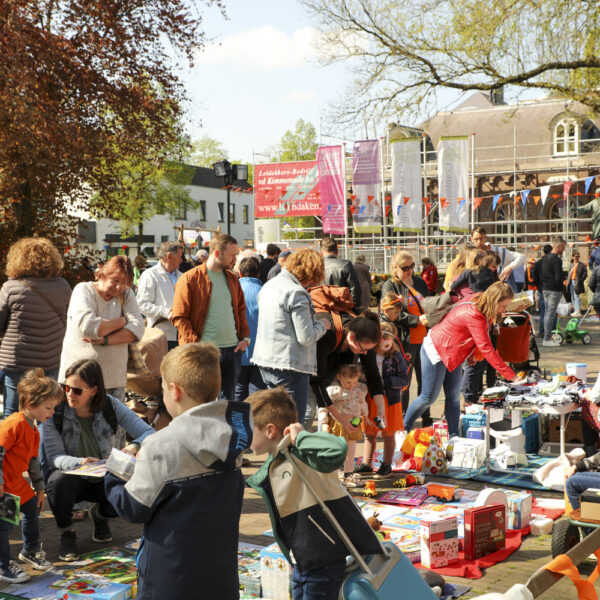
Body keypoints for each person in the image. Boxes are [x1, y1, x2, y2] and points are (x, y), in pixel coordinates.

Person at [105, 343, 252, 599]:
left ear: (174, 390)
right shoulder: (233, 435)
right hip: (220, 576)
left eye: (161, 390)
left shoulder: (160, 445)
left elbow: (133, 508)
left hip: (169, 579)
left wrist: (115, 473)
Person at [246, 387, 381, 600]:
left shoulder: (304, 453)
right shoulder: (275, 460)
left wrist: (301, 437)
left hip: (322, 558)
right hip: (303, 558)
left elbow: (337, 448)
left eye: (249, 428)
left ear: (270, 430)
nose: (245, 434)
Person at [41, 359, 153, 561]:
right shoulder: (54, 409)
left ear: (93, 390)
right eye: (65, 387)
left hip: (104, 476)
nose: (68, 394)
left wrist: (132, 446)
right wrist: (81, 463)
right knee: (58, 481)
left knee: (135, 484)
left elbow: (148, 432)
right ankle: (67, 533)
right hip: (73, 477)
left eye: (76, 390)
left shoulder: (110, 404)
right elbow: (54, 457)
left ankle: (100, 515)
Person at [403, 282, 518, 436]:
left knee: (453, 397)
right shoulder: (475, 313)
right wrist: (512, 376)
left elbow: (468, 333)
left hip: (453, 352)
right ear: (494, 300)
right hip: (437, 349)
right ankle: (403, 428)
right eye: (503, 306)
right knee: (428, 397)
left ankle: (453, 437)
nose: (504, 310)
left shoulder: (479, 302)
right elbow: (487, 348)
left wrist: (470, 353)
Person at [252, 249, 331, 421]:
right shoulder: (296, 292)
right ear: (311, 273)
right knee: (293, 424)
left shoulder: (268, 285)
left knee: (275, 422)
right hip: (290, 365)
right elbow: (307, 337)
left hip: (265, 362)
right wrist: (322, 325)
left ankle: (277, 449)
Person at [0, 369, 63, 582]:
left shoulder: (33, 429)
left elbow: (33, 462)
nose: (52, 412)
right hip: (6, 486)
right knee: (4, 526)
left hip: (17, 484)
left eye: (53, 408)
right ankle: (3, 564)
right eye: (48, 407)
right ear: (30, 404)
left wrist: (39, 489)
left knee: (32, 510)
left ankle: (30, 550)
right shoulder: (14, 423)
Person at [171, 233, 250, 401]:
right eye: (232, 254)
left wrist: (244, 338)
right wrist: (195, 344)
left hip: (232, 350)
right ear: (217, 253)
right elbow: (179, 316)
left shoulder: (232, 279)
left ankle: (222, 429)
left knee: (226, 403)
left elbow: (241, 310)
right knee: (200, 401)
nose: (235, 259)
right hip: (204, 351)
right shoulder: (190, 279)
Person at [0, 238, 71, 417]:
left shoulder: (11, 287)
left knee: (13, 412)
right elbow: (69, 319)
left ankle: (9, 446)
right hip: (53, 359)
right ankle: (40, 445)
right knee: (47, 414)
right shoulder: (63, 286)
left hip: (19, 361)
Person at [58, 255, 145, 403]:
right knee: (75, 425)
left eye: (124, 282)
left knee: (111, 425)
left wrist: (105, 340)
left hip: (114, 381)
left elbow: (137, 330)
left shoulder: (127, 294)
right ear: (102, 276)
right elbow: (90, 327)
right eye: (115, 281)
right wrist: (122, 321)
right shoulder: (84, 290)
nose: (119, 287)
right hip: (79, 380)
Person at [312, 312, 387, 478]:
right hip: (312, 379)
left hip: (327, 385)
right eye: (363, 349)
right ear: (352, 337)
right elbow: (316, 382)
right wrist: (340, 418)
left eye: (369, 350)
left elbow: (373, 376)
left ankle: (343, 474)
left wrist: (381, 410)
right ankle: (320, 476)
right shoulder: (329, 336)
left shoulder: (365, 341)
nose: (365, 354)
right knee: (318, 429)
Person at [381, 251, 430, 425]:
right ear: (395, 268)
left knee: (426, 381)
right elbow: (391, 312)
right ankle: (403, 419)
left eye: (412, 266)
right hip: (405, 340)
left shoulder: (419, 282)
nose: (410, 270)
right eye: (405, 268)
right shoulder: (390, 286)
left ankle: (426, 417)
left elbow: (429, 303)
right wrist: (416, 320)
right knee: (405, 381)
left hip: (425, 339)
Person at [359, 321, 409, 479]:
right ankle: (367, 464)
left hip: (390, 401)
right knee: (369, 433)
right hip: (370, 398)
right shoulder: (366, 353)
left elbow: (404, 380)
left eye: (386, 340)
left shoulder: (396, 356)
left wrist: (385, 383)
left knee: (388, 434)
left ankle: (386, 465)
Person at [318, 364, 369, 489]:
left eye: (354, 381)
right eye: (348, 382)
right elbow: (323, 406)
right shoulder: (333, 391)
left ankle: (348, 474)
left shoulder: (359, 389)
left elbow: (362, 403)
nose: (351, 385)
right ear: (339, 377)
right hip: (338, 423)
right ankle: (334, 476)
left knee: (351, 450)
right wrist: (324, 423)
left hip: (354, 422)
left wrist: (366, 416)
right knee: (337, 450)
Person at [136, 241, 182, 351]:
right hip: (160, 335)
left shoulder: (183, 276)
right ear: (169, 256)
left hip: (182, 335)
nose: (181, 260)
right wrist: (166, 313)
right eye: (180, 257)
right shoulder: (150, 275)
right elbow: (142, 304)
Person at [235, 257, 266, 402]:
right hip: (260, 352)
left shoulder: (232, 291)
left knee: (237, 391)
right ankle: (255, 423)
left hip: (236, 349)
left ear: (239, 273)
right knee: (257, 394)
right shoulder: (264, 292)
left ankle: (236, 424)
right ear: (258, 274)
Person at [471, 226, 525, 292]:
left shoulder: (498, 251)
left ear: (485, 238)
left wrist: (509, 268)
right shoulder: (470, 255)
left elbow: (521, 257)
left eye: (481, 238)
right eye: (476, 239)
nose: (479, 242)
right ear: (471, 239)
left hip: (500, 291)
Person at [320, 237, 362, 310]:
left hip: (321, 310)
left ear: (321, 253)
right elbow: (356, 291)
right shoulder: (346, 265)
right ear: (337, 252)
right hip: (342, 311)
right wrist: (353, 310)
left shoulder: (315, 266)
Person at [540, 236, 566, 347]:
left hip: (545, 288)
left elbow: (541, 274)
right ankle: (546, 338)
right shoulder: (557, 259)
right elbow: (558, 276)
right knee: (550, 314)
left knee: (547, 313)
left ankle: (547, 336)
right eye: (563, 247)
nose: (564, 250)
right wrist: (562, 287)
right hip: (554, 290)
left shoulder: (545, 258)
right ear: (558, 246)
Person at [533, 244, 552, 337]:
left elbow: (535, 277)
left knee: (543, 311)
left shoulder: (538, 263)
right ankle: (551, 330)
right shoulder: (553, 262)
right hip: (551, 289)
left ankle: (542, 331)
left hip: (542, 289)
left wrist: (538, 287)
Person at [567, 251, 587, 318]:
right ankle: (575, 310)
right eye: (576, 256)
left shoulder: (581, 265)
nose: (577, 258)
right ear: (573, 257)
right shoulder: (571, 265)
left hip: (577, 282)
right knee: (572, 296)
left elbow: (585, 274)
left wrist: (580, 280)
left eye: (578, 256)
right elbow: (569, 274)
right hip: (571, 281)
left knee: (576, 296)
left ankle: (578, 310)